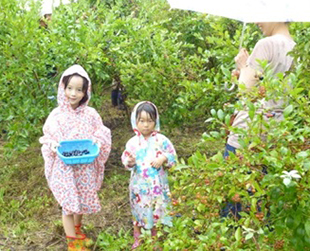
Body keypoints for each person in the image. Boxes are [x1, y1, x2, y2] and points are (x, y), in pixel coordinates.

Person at [39, 65, 111, 250]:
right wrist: (52, 144)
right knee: (68, 204)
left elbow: (102, 132)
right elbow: (47, 136)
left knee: (82, 199)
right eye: (70, 88)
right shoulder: (57, 115)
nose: (73, 93)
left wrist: (98, 140)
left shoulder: (90, 114)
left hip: (84, 165)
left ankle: (78, 231)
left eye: (79, 89)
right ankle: (73, 243)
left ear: (86, 92)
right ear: (63, 88)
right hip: (65, 167)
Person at [225, 22, 296, 157]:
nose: (257, 22)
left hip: (249, 132)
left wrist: (243, 66)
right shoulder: (296, 48)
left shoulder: (266, 44)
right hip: (277, 134)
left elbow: (245, 90)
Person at [121, 101, 177, 249]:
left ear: (155, 121)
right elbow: (125, 160)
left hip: (157, 186)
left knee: (156, 212)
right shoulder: (132, 143)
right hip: (139, 188)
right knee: (139, 213)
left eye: (150, 121)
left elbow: (172, 156)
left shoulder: (162, 140)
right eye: (142, 121)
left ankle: (155, 240)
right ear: (135, 121)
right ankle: (138, 240)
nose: (146, 125)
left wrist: (163, 158)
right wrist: (130, 162)